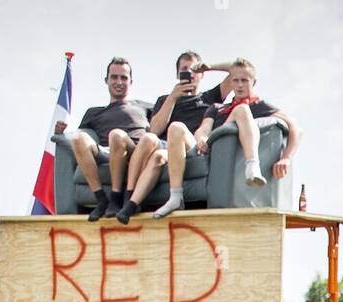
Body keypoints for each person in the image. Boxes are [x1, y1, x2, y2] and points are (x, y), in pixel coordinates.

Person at [117, 52, 235, 225]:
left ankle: (170, 197)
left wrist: (210, 66)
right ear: (178, 75)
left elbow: (238, 71)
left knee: (176, 128)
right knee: (150, 141)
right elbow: (155, 130)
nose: (190, 73)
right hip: (167, 148)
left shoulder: (210, 97)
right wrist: (172, 98)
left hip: (191, 145)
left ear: (201, 73)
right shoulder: (165, 99)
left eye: (194, 69)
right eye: (185, 70)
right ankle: (130, 201)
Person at [179, 58, 300, 198]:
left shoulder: (259, 106)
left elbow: (294, 127)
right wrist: (202, 138)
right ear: (230, 83)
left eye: (244, 80)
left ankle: (253, 165)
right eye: (235, 80)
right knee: (179, 128)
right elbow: (203, 129)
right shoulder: (217, 108)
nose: (240, 85)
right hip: (213, 146)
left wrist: (286, 158)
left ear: (253, 82)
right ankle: (175, 196)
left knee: (242, 109)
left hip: (230, 155)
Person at [69, 58, 152, 222]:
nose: (119, 82)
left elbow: (160, 127)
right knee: (78, 137)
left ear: (131, 81)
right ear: (106, 80)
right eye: (114, 77)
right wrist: (61, 131)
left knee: (116, 135)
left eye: (124, 78)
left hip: (134, 150)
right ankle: (101, 200)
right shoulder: (93, 112)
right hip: (106, 150)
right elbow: (78, 141)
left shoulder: (145, 107)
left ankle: (116, 198)